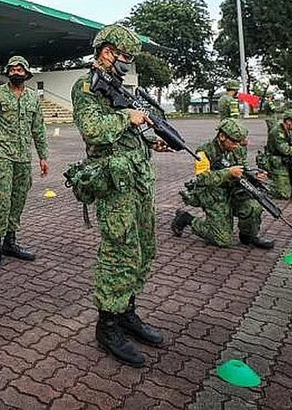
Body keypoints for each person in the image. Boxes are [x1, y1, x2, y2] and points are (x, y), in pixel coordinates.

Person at [71, 24, 169, 367]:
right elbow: (93, 130)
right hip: (115, 182)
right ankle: (107, 324)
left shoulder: (120, 88)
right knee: (119, 249)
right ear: (106, 51)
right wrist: (128, 117)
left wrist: (153, 139)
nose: (127, 63)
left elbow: (132, 133)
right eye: (124, 56)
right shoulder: (85, 87)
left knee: (143, 246)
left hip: (139, 178)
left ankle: (126, 310)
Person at [0, 55, 49, 269]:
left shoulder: (32, 99)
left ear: (27, 73)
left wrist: (43, 156)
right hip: (2, 156)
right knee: (2, 199)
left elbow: (38, 129)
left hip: (23, 158)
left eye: (20, 69)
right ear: (7, 72)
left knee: (18, 199)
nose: (16, 71)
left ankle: (10, 242)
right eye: (12, 68)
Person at [171, 119, 274, 249]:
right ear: (222, 136)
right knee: (222, 240)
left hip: (233, 191)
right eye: (234, 141)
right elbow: (202, 178)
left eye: (239, 142)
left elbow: (243, 168)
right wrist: (228, 173)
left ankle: (248, 237)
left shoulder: (236, 149)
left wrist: (254, 175)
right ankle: (186, 219)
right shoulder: (204, 151)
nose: (237, 145)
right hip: (214, 194)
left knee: (253, 207)